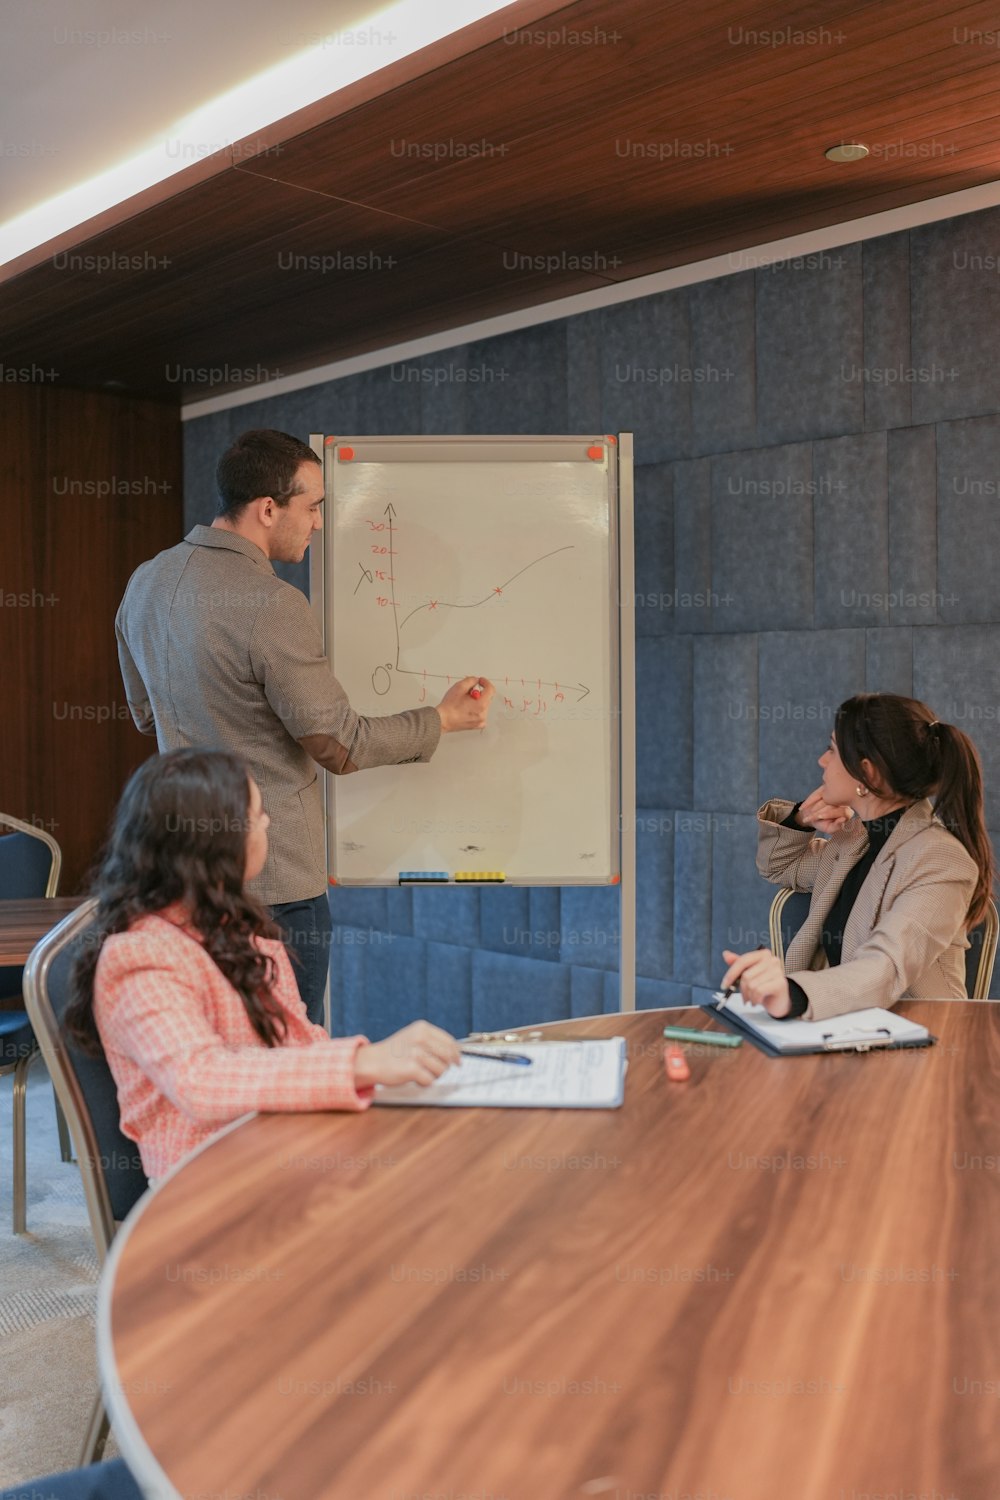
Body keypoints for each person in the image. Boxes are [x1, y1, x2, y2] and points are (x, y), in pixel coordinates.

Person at [115, 429, 494, 1026]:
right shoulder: (272, 604)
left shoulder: (144, 584)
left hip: (183, 880)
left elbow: (145, 714)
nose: (319, 523)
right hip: (274, 889)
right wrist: (444, 717)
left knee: (215, 1047)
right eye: (313, 506)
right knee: (291, 1057)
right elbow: (339, 745)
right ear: (268, 508)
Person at [63, 750, 462, 1181]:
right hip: (208, 1188)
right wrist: (360, 1064)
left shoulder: (236, 928)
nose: (268, 822)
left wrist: (386, 1073)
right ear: (212, 844)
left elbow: (301, 1046)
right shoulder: (140, 956)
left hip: (279, 1148)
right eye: (256, 816)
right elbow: (200, 1080)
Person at [722, 693, 995, 1022]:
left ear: (867, 775)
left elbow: (885, 967)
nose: (822, 761)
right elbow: (779, 866)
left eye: (833, 750)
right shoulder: (853, 839)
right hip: (843, 1027)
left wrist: (792, 993)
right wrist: (800, 819)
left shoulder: (940, 860)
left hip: (918, 1042)